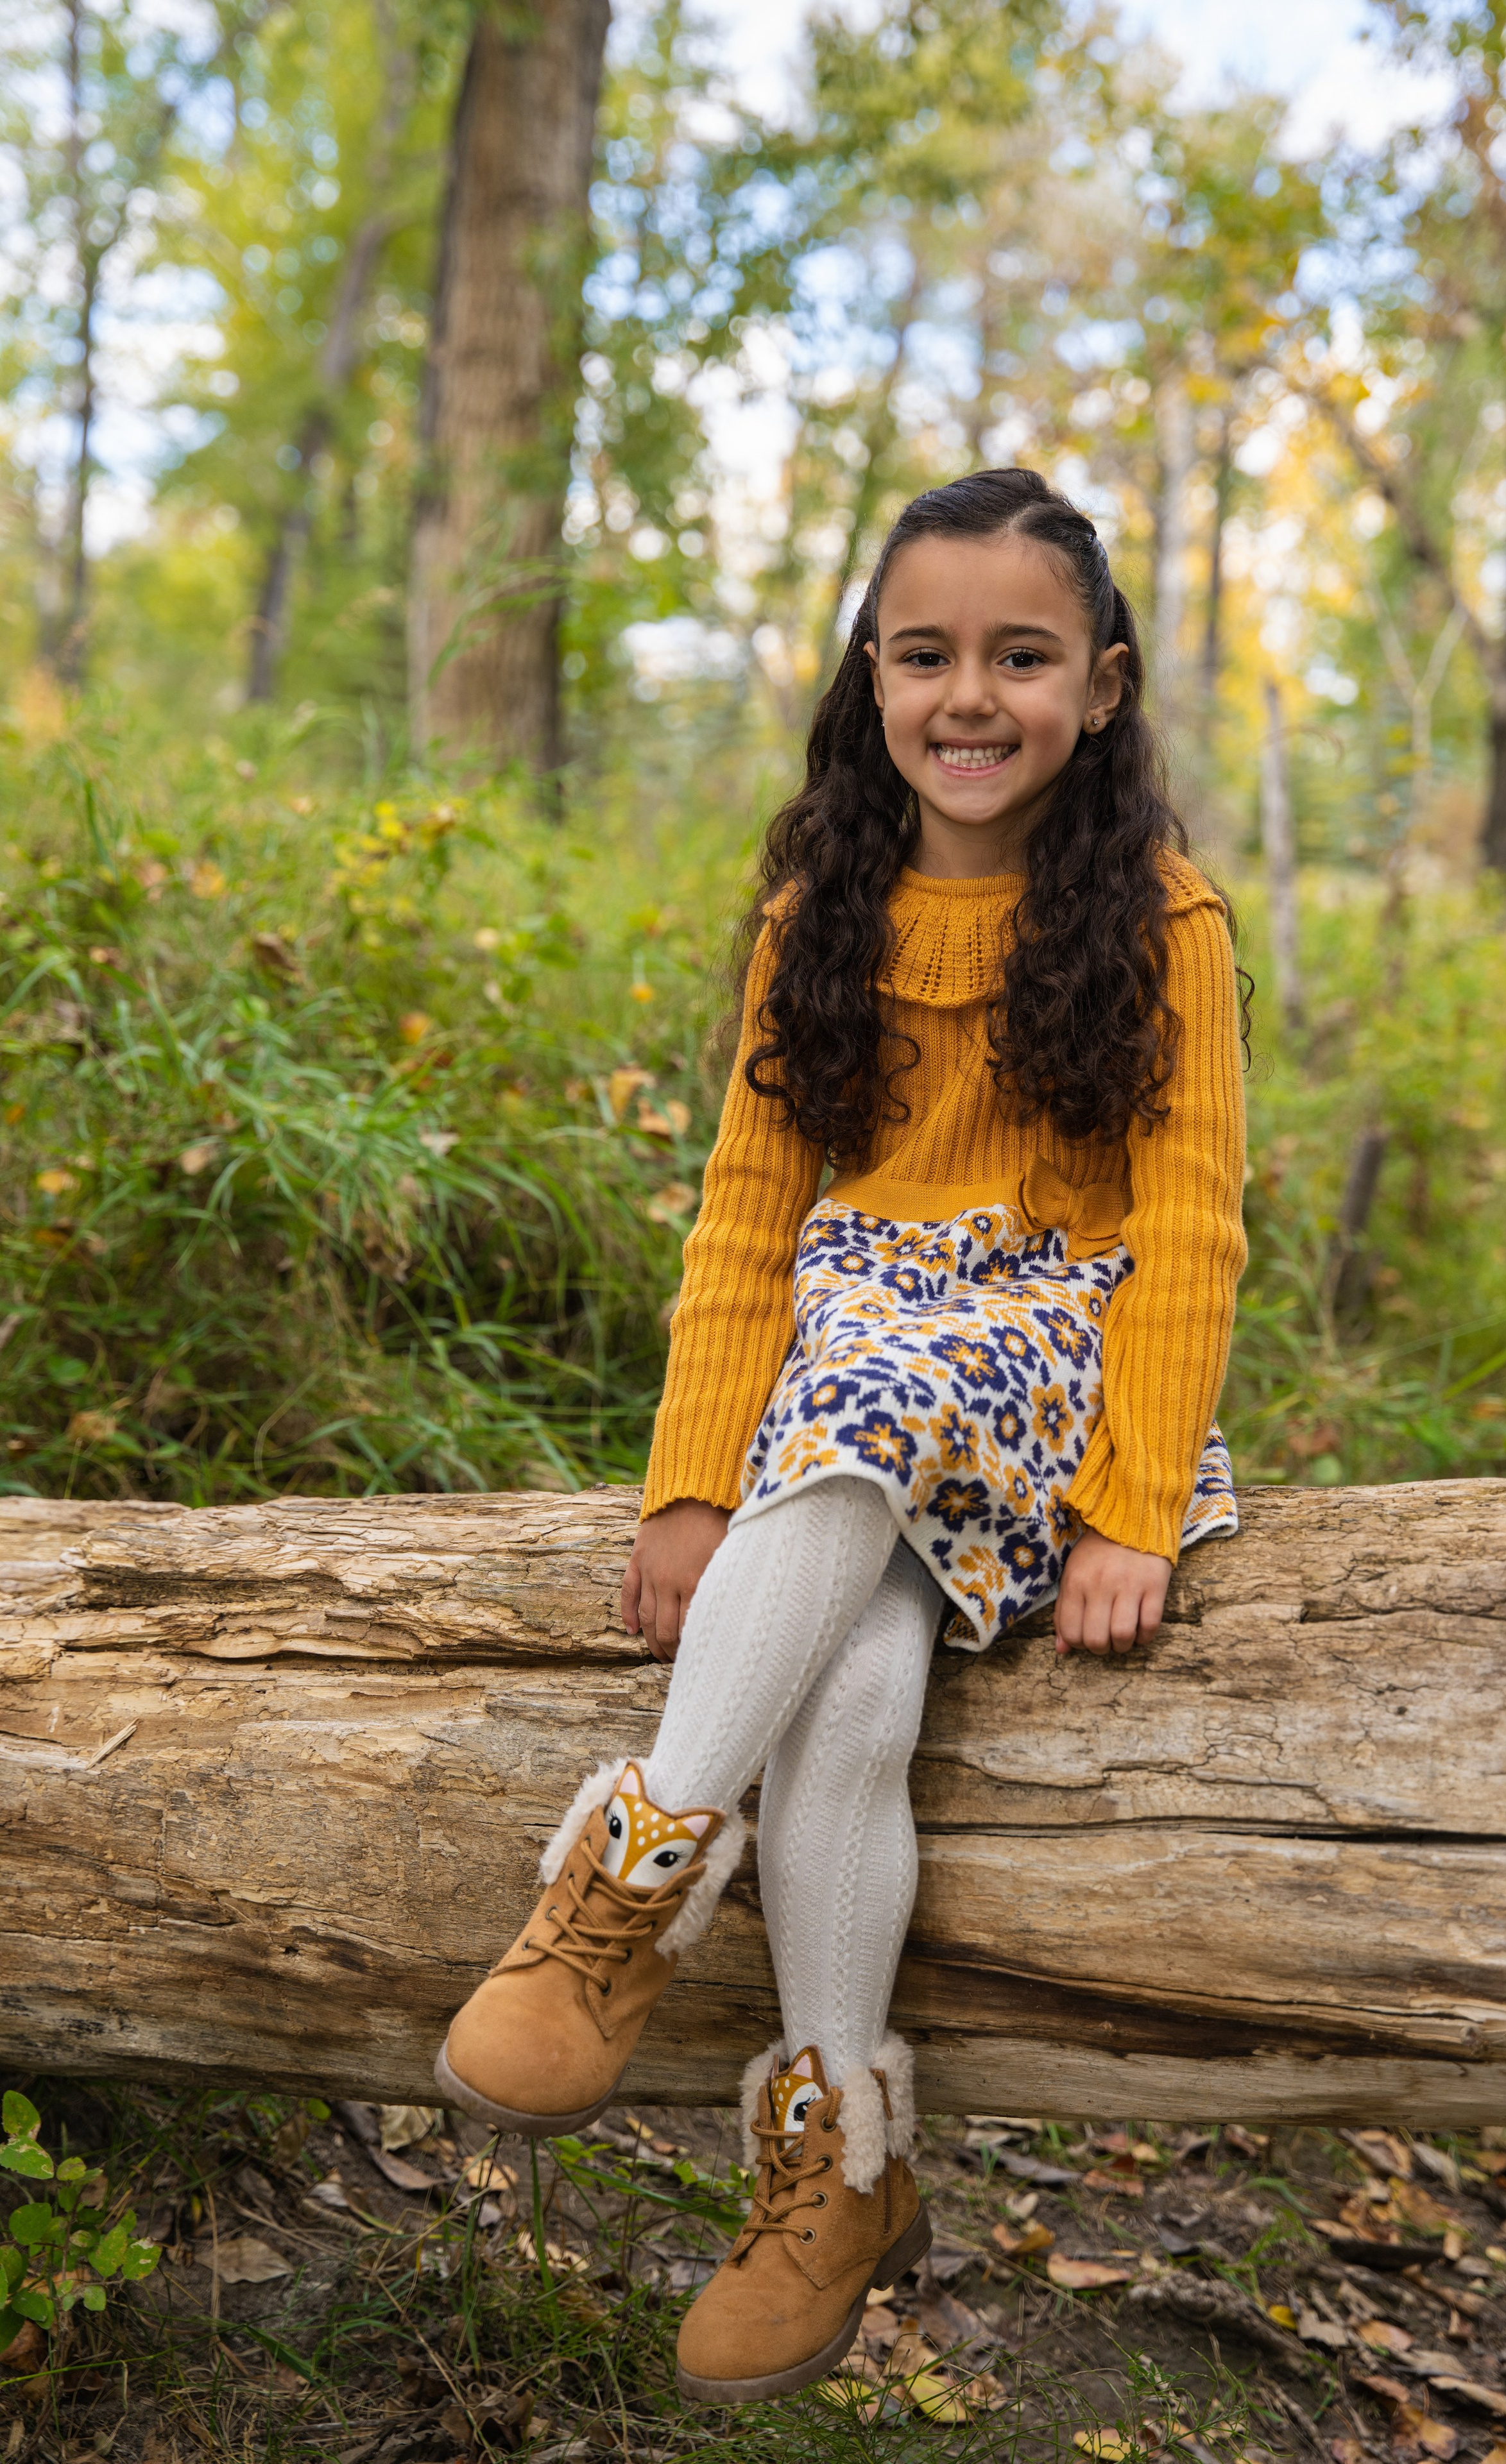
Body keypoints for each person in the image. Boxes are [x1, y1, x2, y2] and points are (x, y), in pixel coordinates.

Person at [435, 466, 1248, 2404]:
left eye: (1024, 657)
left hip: (1056, 1354)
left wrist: (1136, 1511)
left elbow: (1198, 1220)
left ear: (1106, 687)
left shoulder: (1163, 914)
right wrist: (690, 1485)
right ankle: (842, 2164)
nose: (973, 697)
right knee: (859, 1697)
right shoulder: (822, 901)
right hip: (850, 1378)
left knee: (881, 1384)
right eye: (928, 653)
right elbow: (744, 1209)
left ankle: (626, 1881)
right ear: (871, 676)